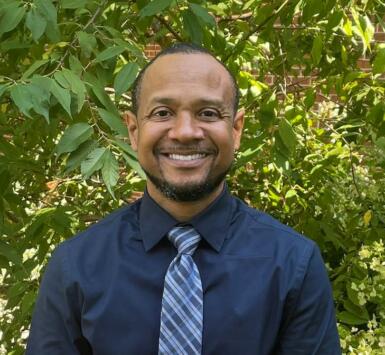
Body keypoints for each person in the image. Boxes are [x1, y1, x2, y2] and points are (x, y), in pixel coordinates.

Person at [26, 43, 341, 354]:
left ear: (236, 129)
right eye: (163, 113)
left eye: (207, 112)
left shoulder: (292, 265)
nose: (185, 132)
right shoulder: (75, 266)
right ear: (133, 130)